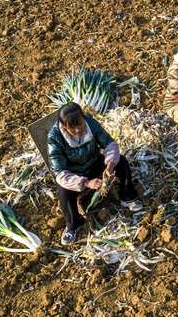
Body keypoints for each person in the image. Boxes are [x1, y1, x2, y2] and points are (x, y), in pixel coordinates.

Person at [48, 102, 141, 245]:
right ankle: (73, 225)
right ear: (64, 128)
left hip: (94, 163)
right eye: (73, 129)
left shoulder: (90, 122)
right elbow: (60, 173)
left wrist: (109, 165)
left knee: (121, 161)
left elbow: (110, 144)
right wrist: (85, 182)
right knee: (64, 192)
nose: (79, 130)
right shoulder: (54, 138)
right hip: (75, 175)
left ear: (83, 117)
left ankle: (127, 196)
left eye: (81, 124)